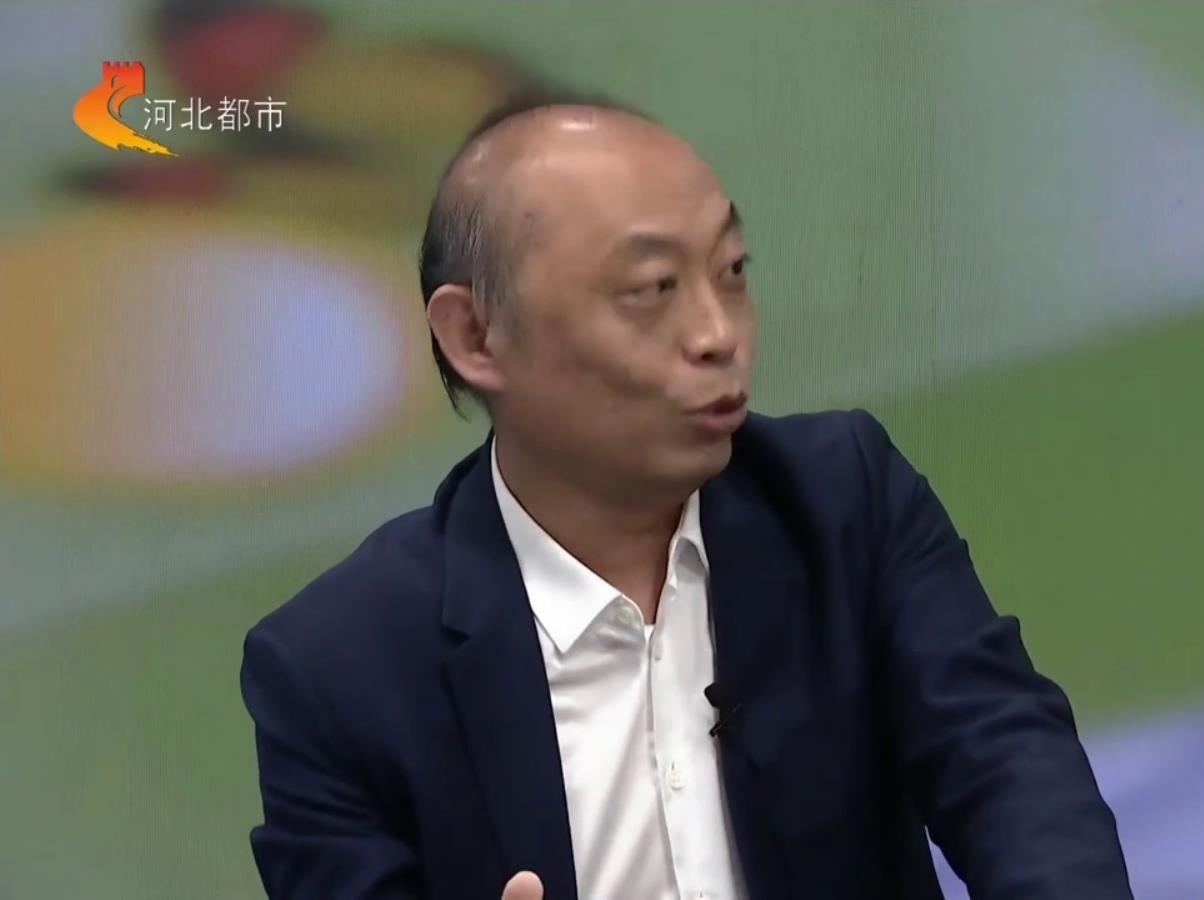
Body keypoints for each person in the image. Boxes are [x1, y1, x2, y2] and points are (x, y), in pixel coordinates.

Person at [240, 84, 1133, 900]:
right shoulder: (336, 671)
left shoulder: (842, 502)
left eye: (732, 271)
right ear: (476, 335)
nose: (717, 333)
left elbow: (1009, 763)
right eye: (652, 289)